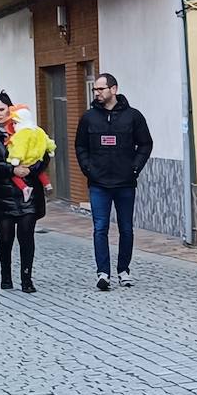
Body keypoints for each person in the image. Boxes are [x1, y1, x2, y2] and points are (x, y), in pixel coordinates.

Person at [75, 73, 154, 291]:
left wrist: (134, 168)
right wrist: (88, 168)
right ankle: (103, 273)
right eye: (95, 90)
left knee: (126, 228)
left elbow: (145, 144)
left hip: (125, 183)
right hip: (99, 183)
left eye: (101, 89)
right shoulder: (89, 117)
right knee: (100, 228)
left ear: (114, 89)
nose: (97, 93)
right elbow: (80, 146)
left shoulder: (133, 116)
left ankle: (123, 270)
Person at [0, 92, 50, 293]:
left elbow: (43, 155)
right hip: (1, 194)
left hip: (29, 192)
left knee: (26, 235)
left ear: (10, 108)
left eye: (1, 109)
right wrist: (11, 170)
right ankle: (5, 275)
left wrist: (31, 170)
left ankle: (27, 278)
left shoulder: (27, 127)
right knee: (6, 237)